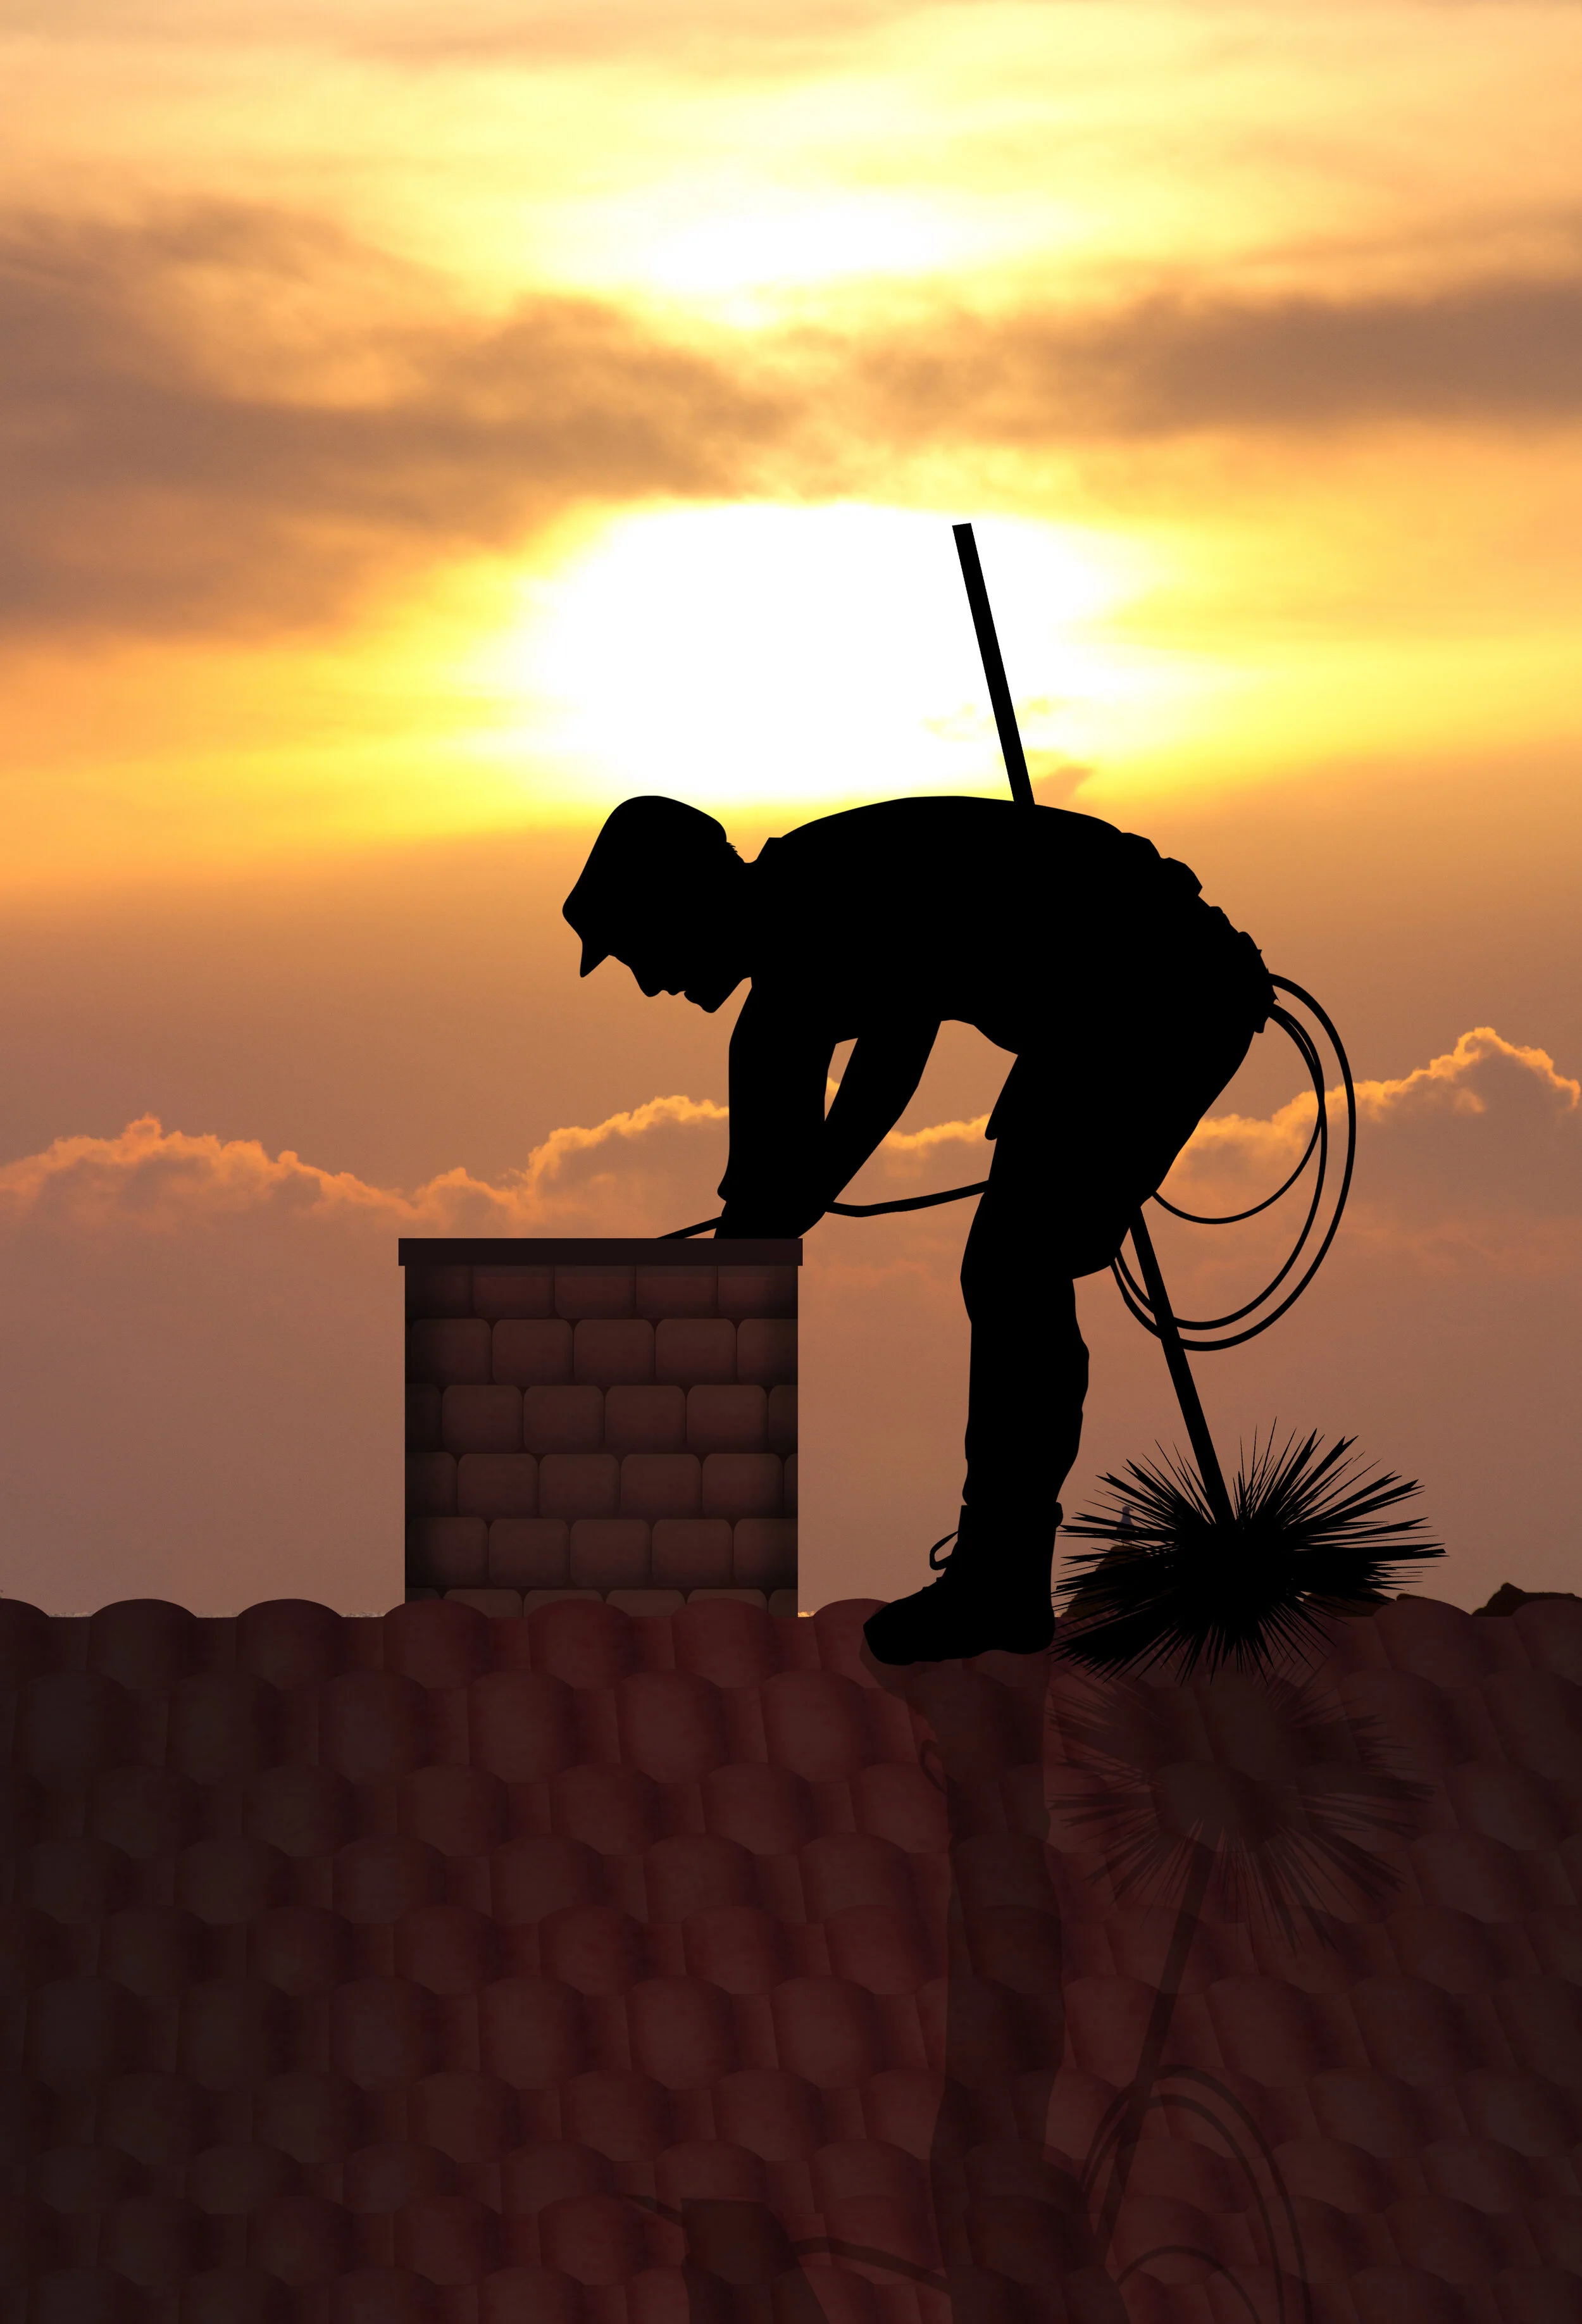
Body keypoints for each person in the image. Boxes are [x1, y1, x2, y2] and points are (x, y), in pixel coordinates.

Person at [563, 793, 1272, 1664]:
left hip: (1162, 993)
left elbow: (887, 1058)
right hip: (1092, 1020)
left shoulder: (820, 903)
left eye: (638, 948)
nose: (649, 982)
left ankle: (1001, 1577)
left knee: (1015, 1267)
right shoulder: (786, 971)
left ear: (682, 901)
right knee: (1015, 1263)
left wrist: (798, 1198)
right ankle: (1001, 1570)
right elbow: (773, 1191)